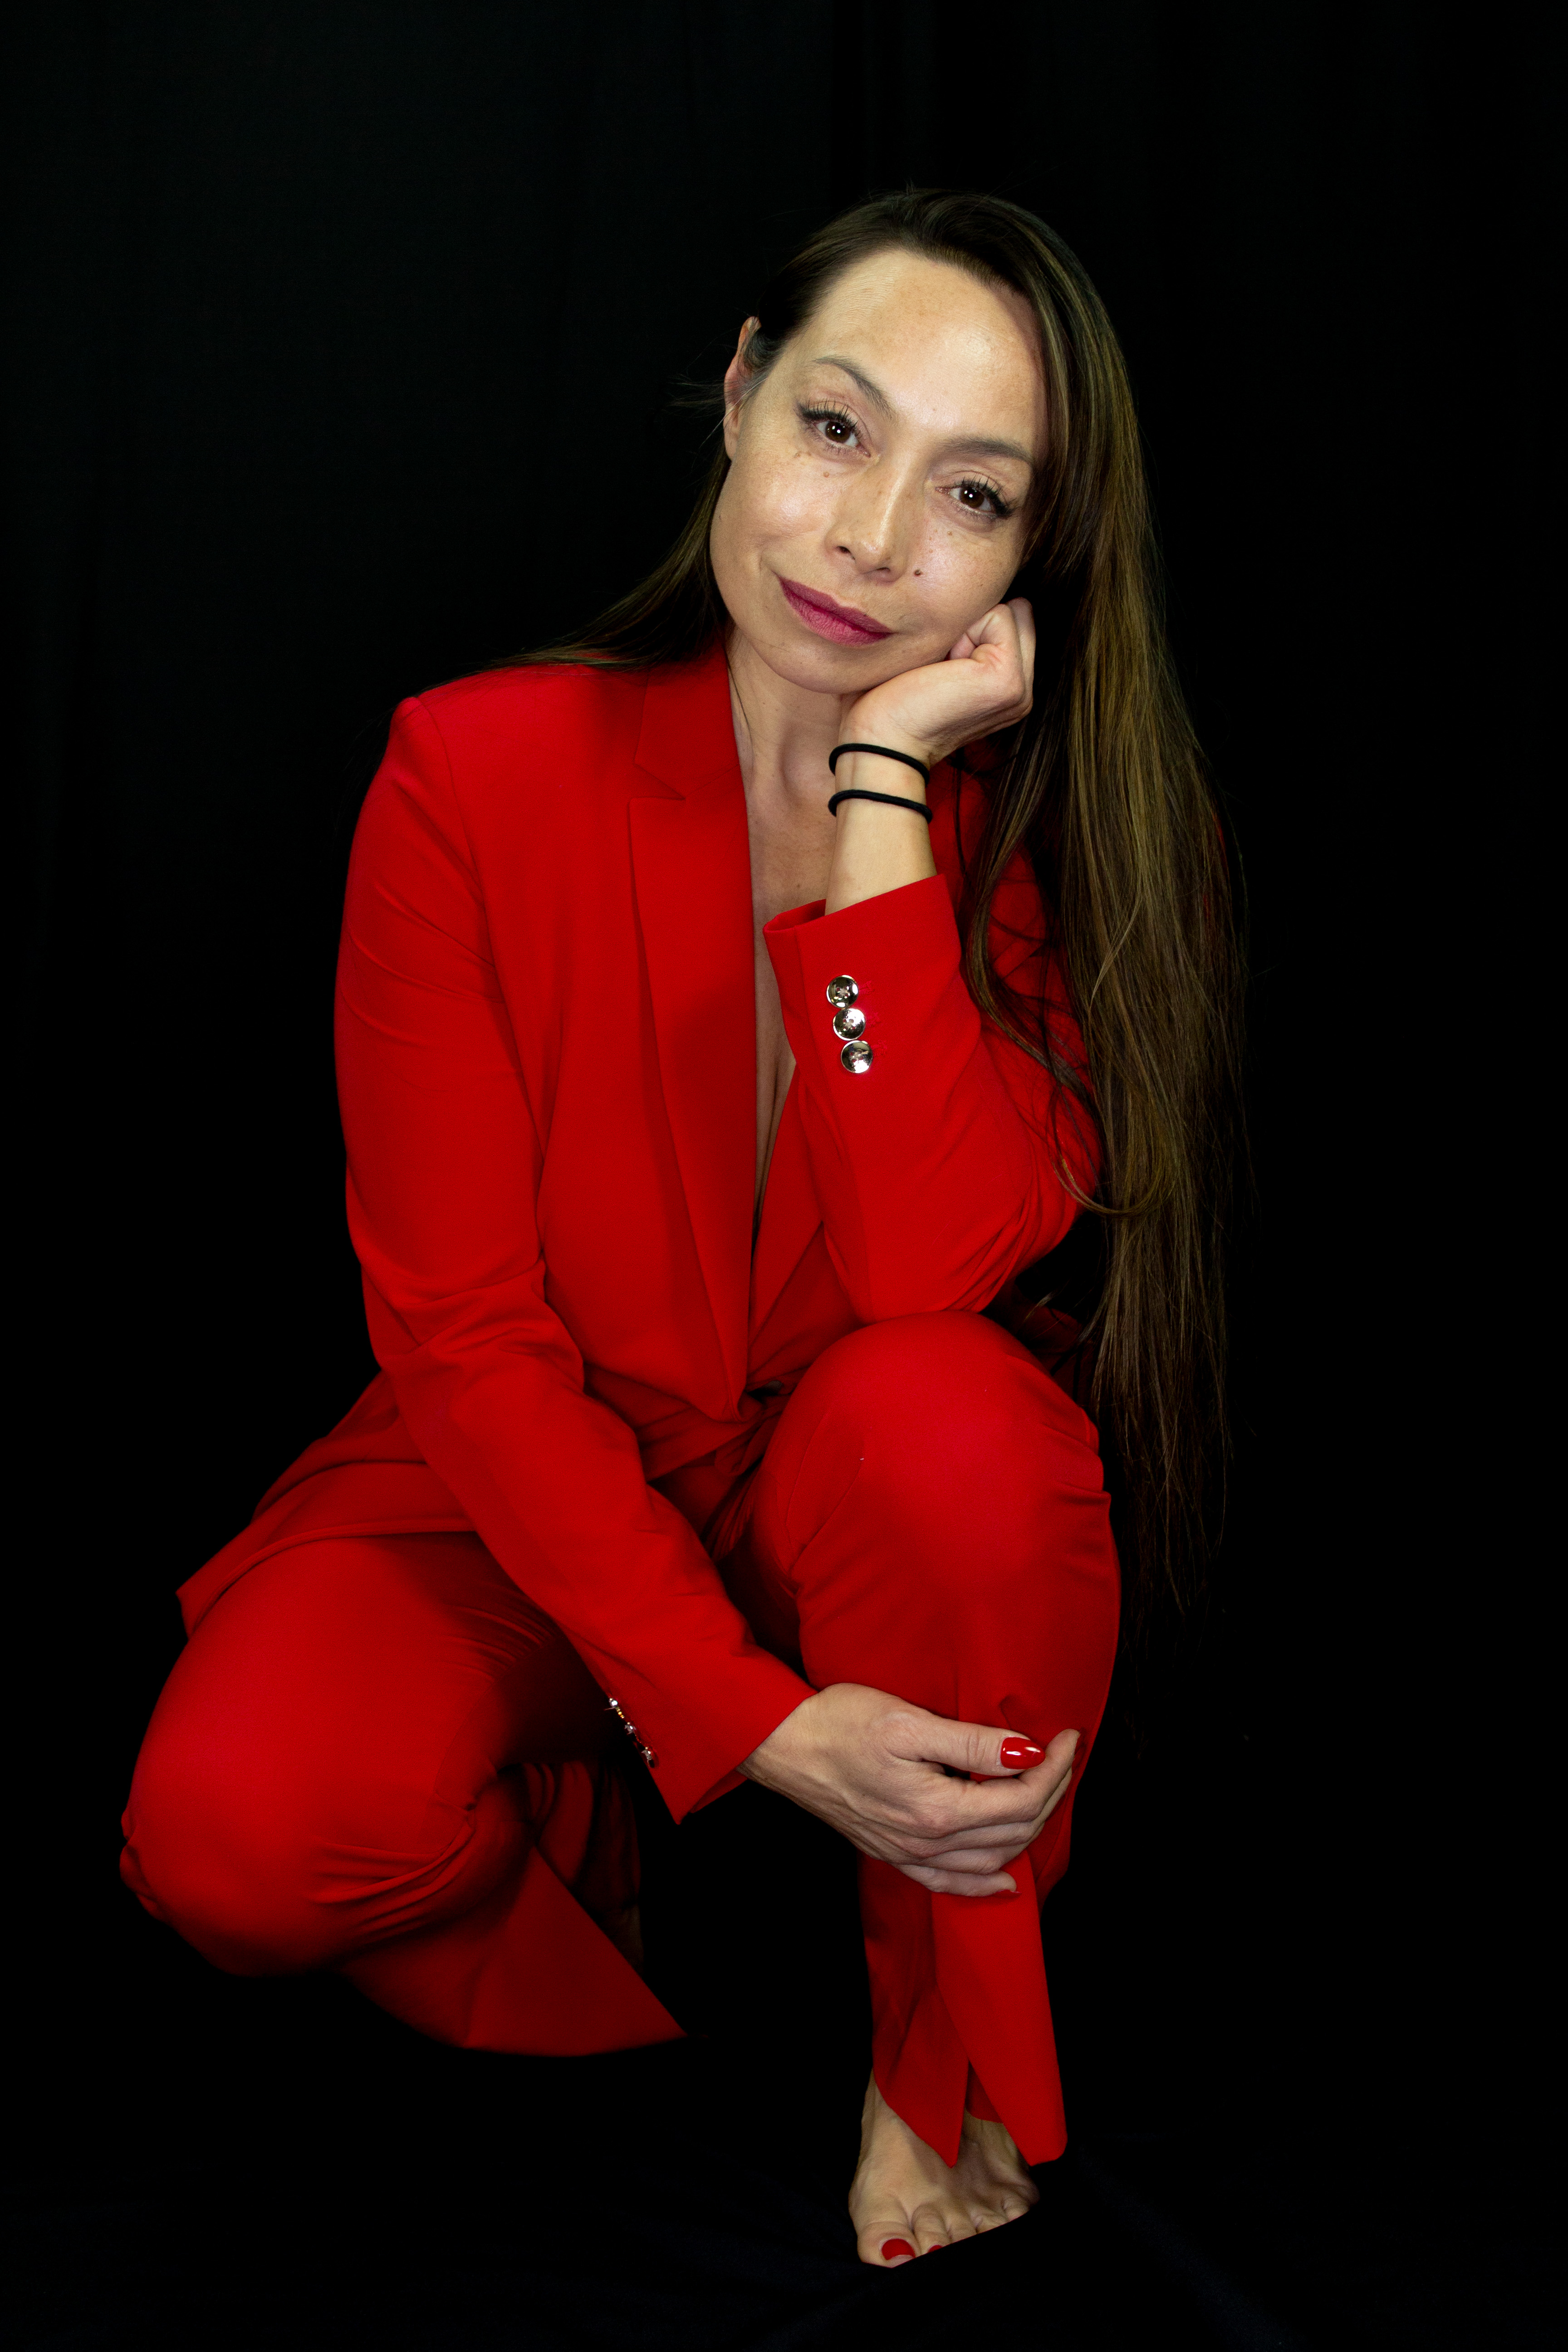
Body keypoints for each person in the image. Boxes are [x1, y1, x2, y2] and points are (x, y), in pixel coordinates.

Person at [120, 190, 1240, 2267]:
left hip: (854, 1485)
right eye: (837, 427)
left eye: (972, 492)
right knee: (234, 1833)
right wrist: (751, 1721)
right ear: (736, 399)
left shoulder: (1071, 864)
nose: (874, 533)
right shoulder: (469, 775)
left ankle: (948, 2065)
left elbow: (921, 1282)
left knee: (959, 1431)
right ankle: (607, 1857)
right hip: (516, 1477)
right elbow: (460, 1334)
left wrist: (888, 790)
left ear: (1027, 566)